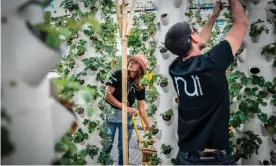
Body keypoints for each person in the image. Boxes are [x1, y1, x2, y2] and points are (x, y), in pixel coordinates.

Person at [164, 0, 248, 165]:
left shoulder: (175, 69)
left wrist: (213, 16)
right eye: (194, 32)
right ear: (193, 38)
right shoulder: (212, 63)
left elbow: (197, 45)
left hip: (186, 157)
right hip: (214, 160)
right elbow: (241, 22)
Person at [102, 53, 151, 165]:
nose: (132, 63)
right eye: (132, 61)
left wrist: (150, 128)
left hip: (127, 119)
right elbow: (107, 95)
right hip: (111, 116)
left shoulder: (139, 85)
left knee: (123, 148)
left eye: (136, 62)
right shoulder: (118, 74)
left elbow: (142, 108)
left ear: (140, 69)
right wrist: (125, 107)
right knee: (107, 145)